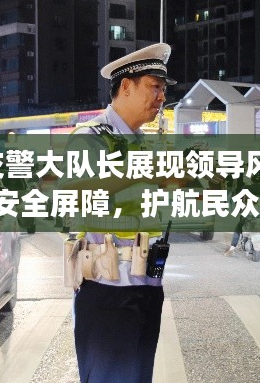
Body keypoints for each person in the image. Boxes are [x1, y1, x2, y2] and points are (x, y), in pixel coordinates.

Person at [62, 43, 180, 383]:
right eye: (154, 87)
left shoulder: (144, 142)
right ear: (126, 86)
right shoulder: (90, 137)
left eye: (163, 89)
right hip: (107, 291)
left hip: (147, 287)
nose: (161, 97)